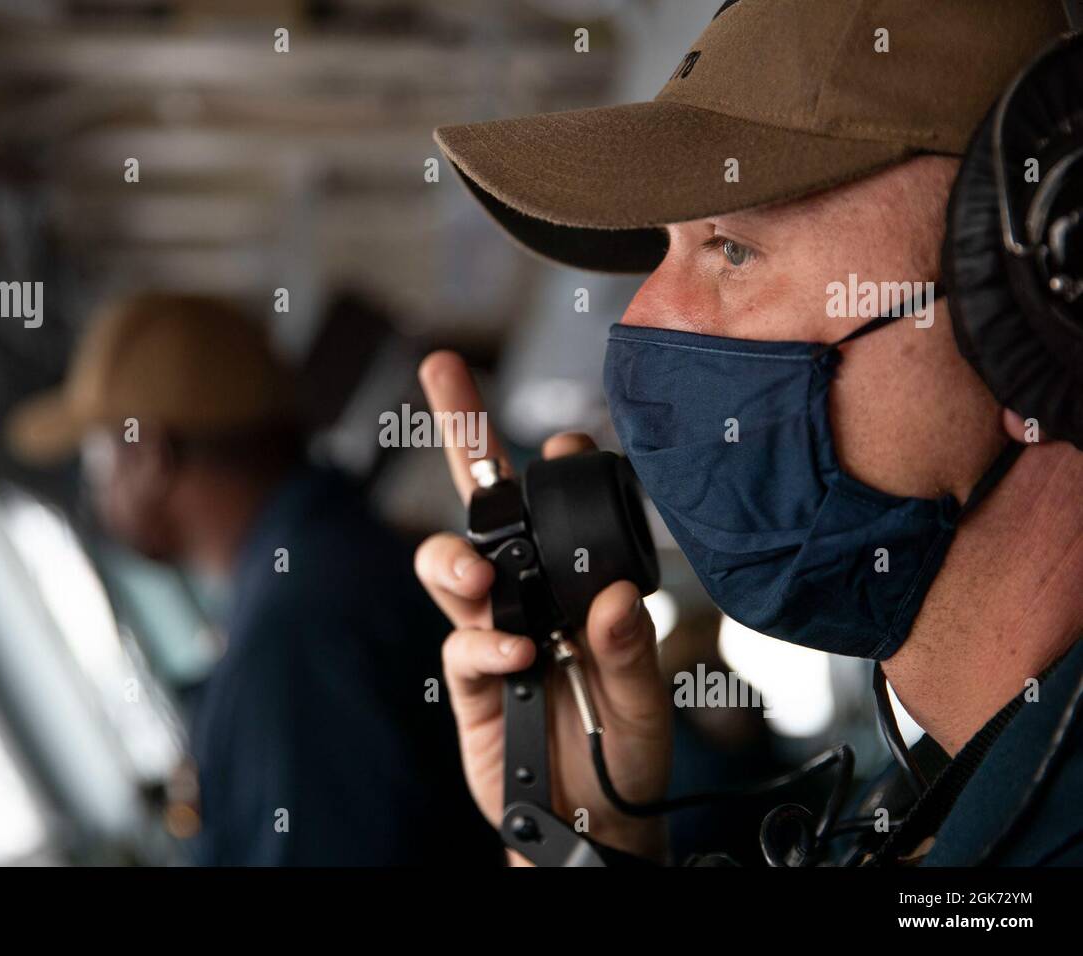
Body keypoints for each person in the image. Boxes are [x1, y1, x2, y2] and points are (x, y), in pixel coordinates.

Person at [415, 0, 1083, 865]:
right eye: (665, 246)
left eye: (731, 248)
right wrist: (584, 835)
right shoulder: (925, 814)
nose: (642, 323)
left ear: (1039, 304)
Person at [7, 292, 497, 865]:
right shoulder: (340, 556)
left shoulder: (288, 634)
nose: (94, 483)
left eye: (97, 452)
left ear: (150, 455)